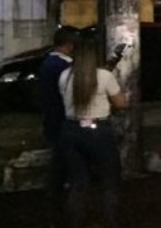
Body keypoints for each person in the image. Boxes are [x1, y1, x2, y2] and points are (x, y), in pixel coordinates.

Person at [58, 36, 128, 228]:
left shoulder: (65, 76)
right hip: (98, 132)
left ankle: (76, 222)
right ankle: (111, 221)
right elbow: (121, 103)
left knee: (78, 183)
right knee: (109, 181)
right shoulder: (104, 76)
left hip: (71, 131)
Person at [41, 26, 78, 228]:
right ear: (70, 46)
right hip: (63, 119)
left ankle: (55, 196)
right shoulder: (62, 67)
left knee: (59, 157)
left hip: (52, 118)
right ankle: (59, 206)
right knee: (64, 160)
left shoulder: (48, 62)